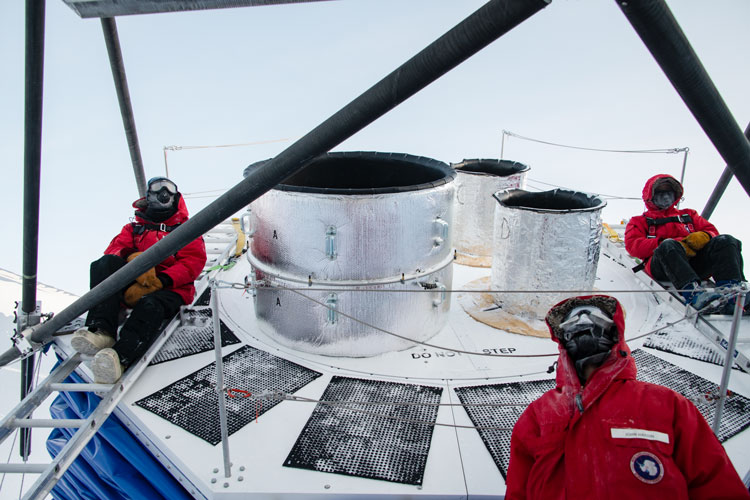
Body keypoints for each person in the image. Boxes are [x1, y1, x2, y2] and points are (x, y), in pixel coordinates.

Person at [505, 295, 750, 499]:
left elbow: (716, 485)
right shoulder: (539, 415)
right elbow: (517, 491)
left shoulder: (667, 405)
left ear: (614, 334)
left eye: (594, 316)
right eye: (573, 320)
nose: (583, 323)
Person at [71, 177, 207, 383]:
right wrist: (133, 260)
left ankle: (120, 356)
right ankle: (101, 329)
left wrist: (161, 280)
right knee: (104, 264)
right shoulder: (134, 229)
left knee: (151, 305)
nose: (164, 194)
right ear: (149, 196)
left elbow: (192, 262)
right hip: (136, 281)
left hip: (171, 288)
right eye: (158, 189)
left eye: (169, 190)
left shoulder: (186, 230)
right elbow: (114, 249)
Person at [625, 173, 746, 315]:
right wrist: (669, 242)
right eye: (660, 192)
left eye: (668, 192)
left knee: (726, 240)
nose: (665, 197)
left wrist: (704, 236)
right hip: (662, 265)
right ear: (650, 196)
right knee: (668, 245)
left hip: (693, 263)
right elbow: (634, 246)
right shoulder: (639, 221)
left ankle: (734, 292)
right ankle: (694, 294)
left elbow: (712, 231)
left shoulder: (688, 215)